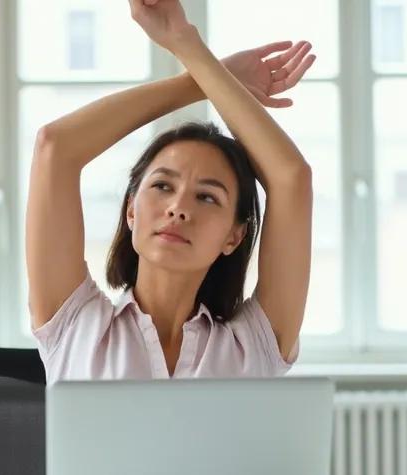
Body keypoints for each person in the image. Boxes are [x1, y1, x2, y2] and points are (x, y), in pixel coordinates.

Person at [26, 0, 316, 383]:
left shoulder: (254, 345)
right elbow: (54, 146)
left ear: (235, 234)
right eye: (163, 186)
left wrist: (189, 46)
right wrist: (204, 77)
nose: (178, 208)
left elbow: (291, 179)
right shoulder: (76, 326)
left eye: (207, 196)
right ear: (131, 210)